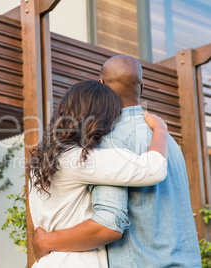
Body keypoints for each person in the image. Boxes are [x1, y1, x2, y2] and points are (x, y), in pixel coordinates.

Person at [32, 55, 202, 267]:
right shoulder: (169, 144)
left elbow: (108, 224)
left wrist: (44, 240)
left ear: (101, 85)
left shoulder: (106, 140)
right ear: (142, 88)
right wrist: (160, 129)